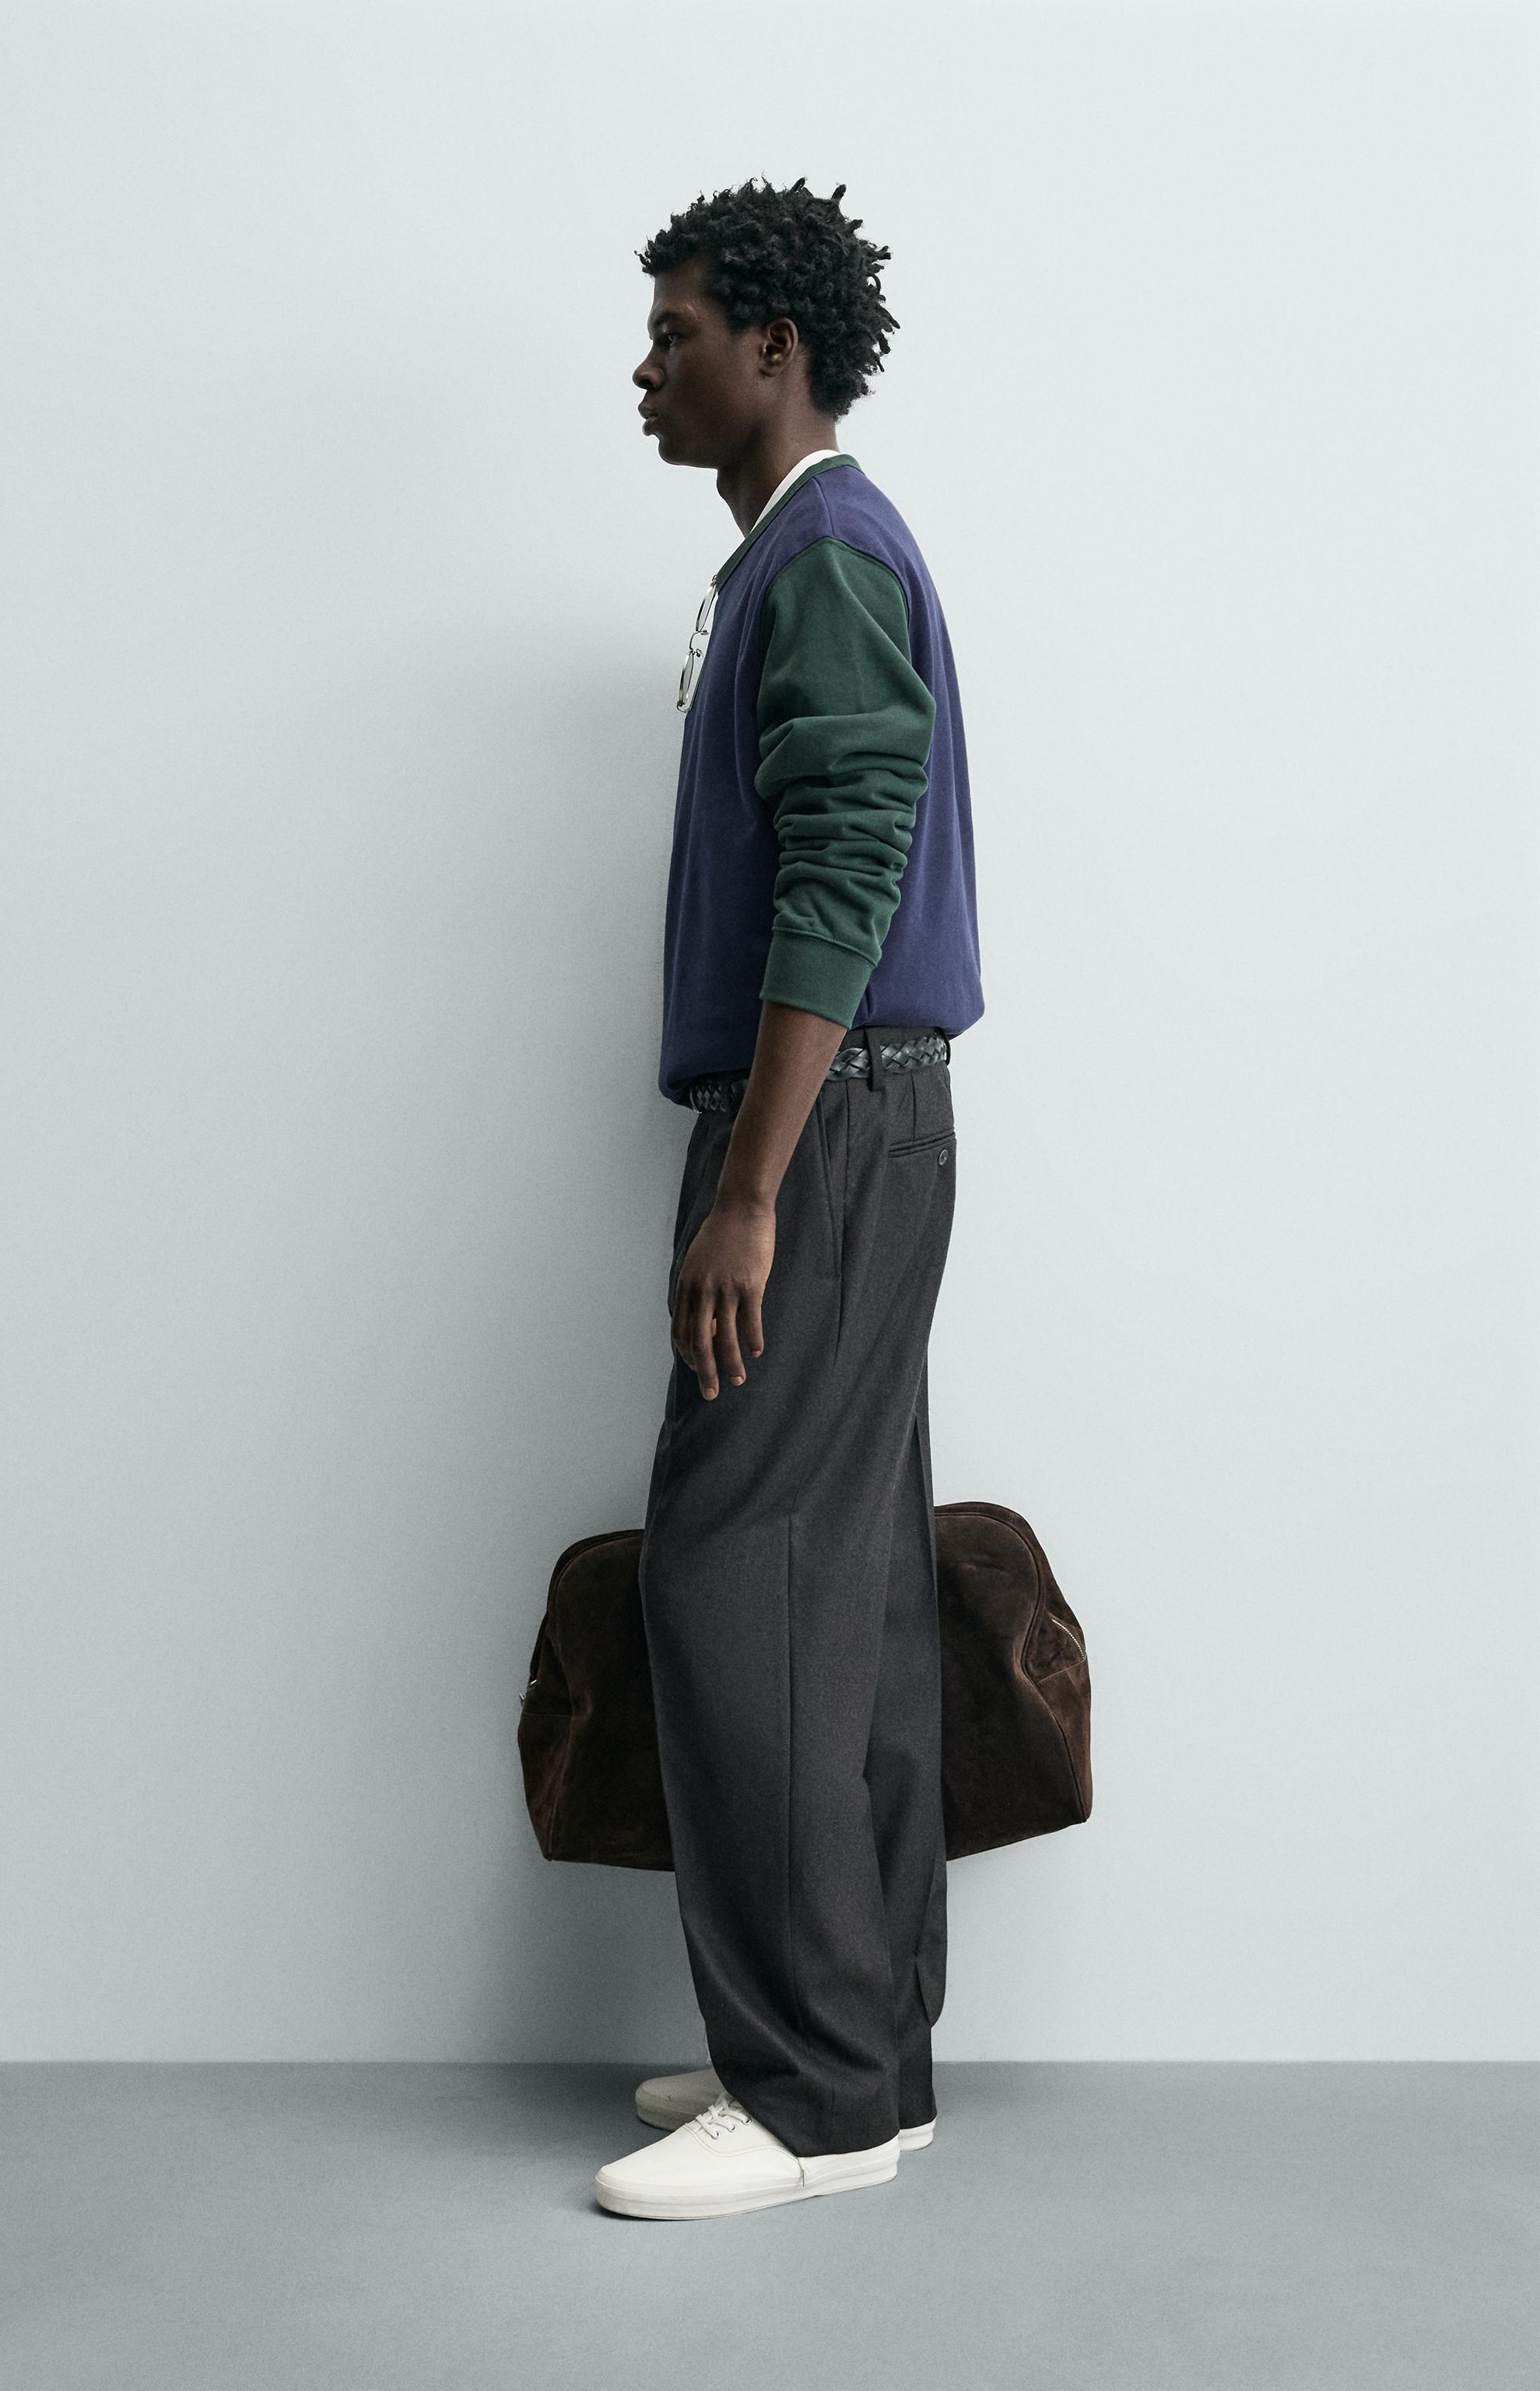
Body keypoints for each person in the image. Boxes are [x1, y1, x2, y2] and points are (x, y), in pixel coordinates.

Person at [593, 177, 984, 2221]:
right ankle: (860, 2060)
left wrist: (749, 1188)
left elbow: (846, 863)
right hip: (859, 1124)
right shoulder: (801, 553)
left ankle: (812, 2087)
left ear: (775, 345)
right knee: (840, 1582)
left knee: (734, 1574)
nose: (645, 369)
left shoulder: (824, 551)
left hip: (816, 1133)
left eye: (675, 333)